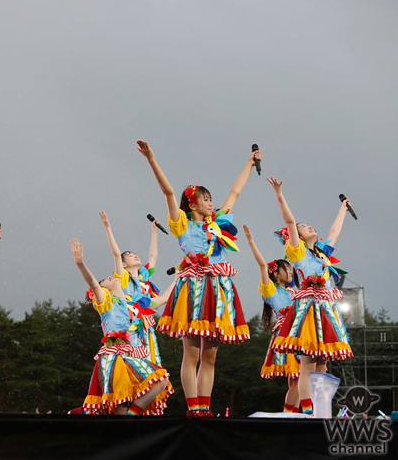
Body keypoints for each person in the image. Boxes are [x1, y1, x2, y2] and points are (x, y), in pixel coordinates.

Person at [136, 139, 260, 416]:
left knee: (211, 355)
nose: (211, 202)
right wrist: (152, 160)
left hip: (219, 288)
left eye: (210, 199)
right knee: (191, 353)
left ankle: (205, 407)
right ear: (193, 203)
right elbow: (168, 192)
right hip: (193, 288)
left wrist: (250, 163)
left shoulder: (219, 223)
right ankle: (194, 408)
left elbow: (235, 191)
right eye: (205, 199)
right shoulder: (182, 225)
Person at [267, 177, 353, 415]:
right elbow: (290, 220)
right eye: (304, 227)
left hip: (325, 308)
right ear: (296, 235)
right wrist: (279, 194)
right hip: (308, 309)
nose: (309, 227)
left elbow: (334, 231)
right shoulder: (297, 253)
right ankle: (307, 411)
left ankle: (321, 408)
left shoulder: (321, 253)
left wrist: (343, 209)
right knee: (307, 364)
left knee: (323, 363)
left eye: (309, 226)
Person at [71, 236, 173, 416]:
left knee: (160, 381)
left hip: (131, 354)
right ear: (104, 290)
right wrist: (80, 264)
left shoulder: (132, 304)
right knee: (121, 403)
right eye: (106, 280)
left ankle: (131, 416)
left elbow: (163, 298)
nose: (110, 277)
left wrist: (179, 277)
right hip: (115, 358)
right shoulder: (107, 303)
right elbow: (93, 283)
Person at [243, 224, 300, 412]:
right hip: (286, 334)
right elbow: (261, 265)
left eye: (291, 270)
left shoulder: (295, 290)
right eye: (286, 269)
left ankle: (294, 414)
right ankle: (289, 413)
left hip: (300, 332)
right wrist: (251, 242)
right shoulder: (271, 291)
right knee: (299, 377)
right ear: (275, 273)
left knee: (297, 378)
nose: (290, 272)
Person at [99, 211, 163, 364]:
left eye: (135, 253)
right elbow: (116, 254)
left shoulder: (143, 277)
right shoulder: (122, 278)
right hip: (130, 325)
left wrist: (154, 232)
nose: (134, 255)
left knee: (151, 362)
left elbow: (153, 256)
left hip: (146, 326)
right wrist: (108, 228)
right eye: (129, 255)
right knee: (134, 361)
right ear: (124, 264)